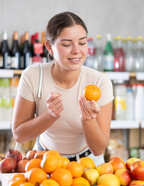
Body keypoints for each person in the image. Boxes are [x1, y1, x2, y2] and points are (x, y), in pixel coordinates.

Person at [12, 11, 114, 166]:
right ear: (49, 47)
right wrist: (50, 116)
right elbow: (19, 135)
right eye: (67, 44)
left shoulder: (99, 82)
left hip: (87, 164)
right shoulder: (33, 75)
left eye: (82, 43)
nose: (76, 51)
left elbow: (99, 149)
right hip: (44, 163)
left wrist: (88, 120)